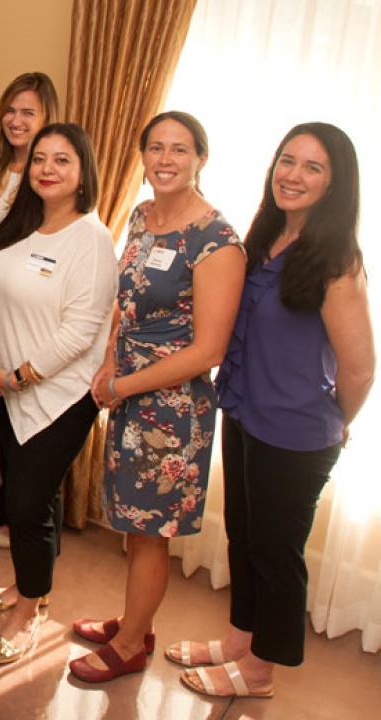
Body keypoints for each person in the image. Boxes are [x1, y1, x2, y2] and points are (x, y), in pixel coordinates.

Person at [177, 123, 374, 699]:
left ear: (335, 184)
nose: (293, 175)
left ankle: (260, 673)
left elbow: (360, 369)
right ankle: (240, 642)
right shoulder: (265, 239)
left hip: (297, 434)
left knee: (276, 553)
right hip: (242, 412)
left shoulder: (337, 262)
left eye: (312, 167)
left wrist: (335, 423)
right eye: (287, 161)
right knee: (243, 536)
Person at [68, 112, 244, 682]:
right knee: (134, 525)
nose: (166, 159)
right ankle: (133, 624)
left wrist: (121, 386)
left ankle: (129, 648)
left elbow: (208, 350)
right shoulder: (143, 218)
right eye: (156, 148)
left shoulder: (217, 240)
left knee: (150, 535)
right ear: (142, 155)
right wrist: (112, 359)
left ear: (201, 159)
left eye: (180, 149)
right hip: (129, 396)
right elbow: (130, 300)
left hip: (171, 411)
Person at [0, 123, 117, 666]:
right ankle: (30, 588)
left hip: (59, 397)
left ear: (83, 174)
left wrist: (18, 376)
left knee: (26, 508)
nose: (48, 169)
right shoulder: (17, 225)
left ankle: (27, 612)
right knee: (37, 498)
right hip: (1, 386)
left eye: (62, 160)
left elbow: (80, 334)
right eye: (40, 160)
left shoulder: (92, 240)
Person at [0, 72, 60, 550]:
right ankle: (6, 502)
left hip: (27, 319)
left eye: (29, 113)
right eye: (11, 110)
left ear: (47, 121)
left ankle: (25, 517)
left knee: (30, 421)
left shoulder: (49, 179)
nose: (16, 120)